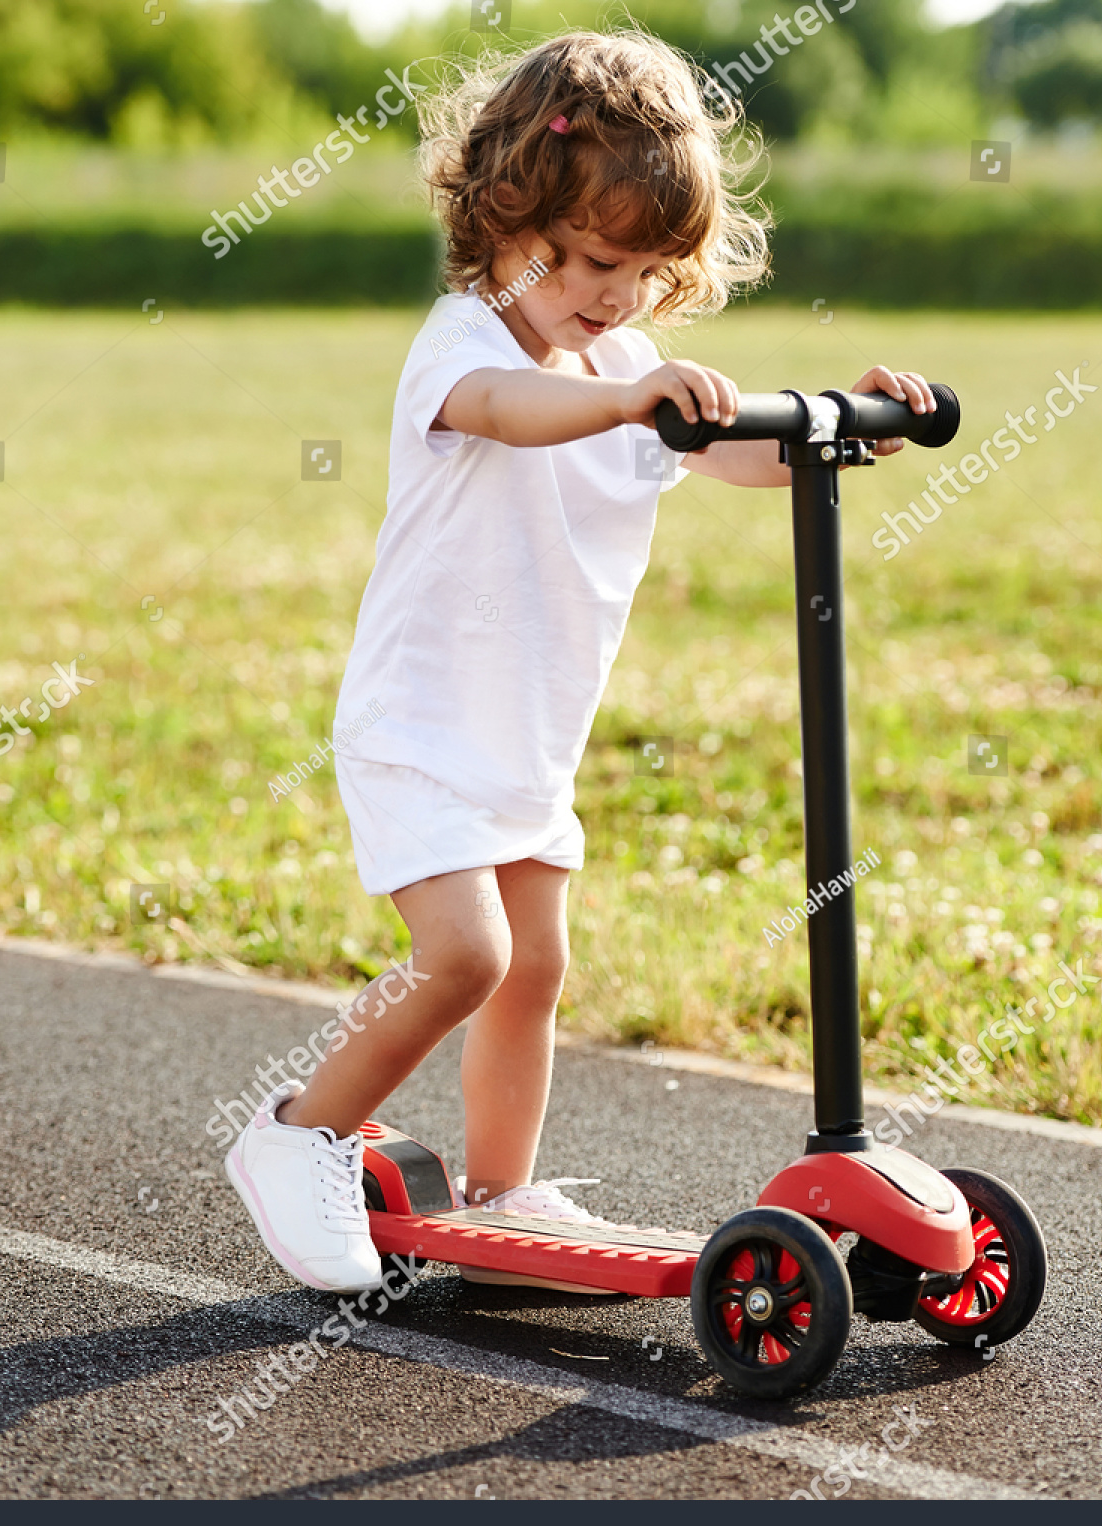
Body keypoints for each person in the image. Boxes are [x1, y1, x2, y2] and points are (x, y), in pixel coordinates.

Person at [225, 28, 935, 1294]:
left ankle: (502, 1196)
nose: (619, 297)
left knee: (536, 969)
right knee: (469, 956)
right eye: (598, 261)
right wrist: (626, 397)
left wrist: (839, 430)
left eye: (650, 273)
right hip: (420, 729)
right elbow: (514, 414)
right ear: (506, 215)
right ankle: (297, 1134)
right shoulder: (465, 349)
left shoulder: (622, 367)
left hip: (529, 741)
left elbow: (733, 452)